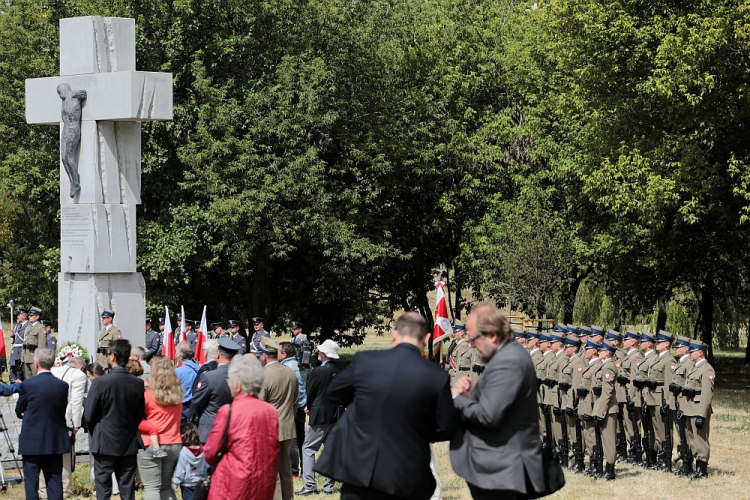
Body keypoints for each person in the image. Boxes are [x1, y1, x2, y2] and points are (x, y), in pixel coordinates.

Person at [316, 313, 457, 500]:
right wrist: (418, 427)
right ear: (427, 338)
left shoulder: (365, 361)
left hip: (361, 470)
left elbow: (334, 393)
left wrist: (364, 405)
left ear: (393, 334)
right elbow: (448, 427)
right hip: (408, 473)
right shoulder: (436, 375)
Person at [448, 306, 543, 499]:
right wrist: (474, 393)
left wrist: (456, 398)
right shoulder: (508, 354)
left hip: (504, 469)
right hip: (503, 466)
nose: (471, 345)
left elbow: (488, 415)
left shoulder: (508, 361)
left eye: (474, 339)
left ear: (491, 335)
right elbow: (501, 400)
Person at [204, 355, 279, 500]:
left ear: (238, 384)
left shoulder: (228, 411)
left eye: (230, 381)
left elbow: (210, 453)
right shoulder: (270, 411)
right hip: (263, 483)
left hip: (232, 485)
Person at [84, 339, 146, 500]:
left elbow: (89, 415)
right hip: (127, 441)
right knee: (127, 489)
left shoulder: (100, 383)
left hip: (104, 441)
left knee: (103, 490)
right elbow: (139, 414)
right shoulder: (137, 383)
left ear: (112, 356)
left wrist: (97, 432)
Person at [16, 347, 69, 500]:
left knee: (32, 485)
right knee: (54, 483)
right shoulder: (62, 386)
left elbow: (19, 409)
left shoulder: (28, 385)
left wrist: (26, 412)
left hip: (32, 441)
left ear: (36, 364)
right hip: (54, 440)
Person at [297, 339, 342, 496]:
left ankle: (310, 484)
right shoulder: (339, 370)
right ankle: (329, 486)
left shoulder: (318, 371)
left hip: (320, 413)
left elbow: (311, 391)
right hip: (335, 413)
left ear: (324, 354)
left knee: (308, 448)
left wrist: (308, 406)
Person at [137, 357, 183, 500]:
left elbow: (135, 419)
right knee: (165, 486)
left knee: (152, 487)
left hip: (151, 443)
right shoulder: (178, 394)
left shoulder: (147, 395)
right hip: (174, 442)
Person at [258, 337, 299, 500]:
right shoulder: (290, 372)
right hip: (287, 427)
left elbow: (258, 406)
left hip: (269, 430)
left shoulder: (263, 375)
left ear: (264, 356)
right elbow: (294, 402)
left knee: (272, 472)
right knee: (286, 470)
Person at [47, 355, 87, 496]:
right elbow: (76, 401)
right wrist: (76, 423)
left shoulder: (53, 370)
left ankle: (44, 490)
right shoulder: (79, 375)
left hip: (48, 417)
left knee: (46, 454)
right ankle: (65, 489)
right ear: (81, 366)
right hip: (65, 418)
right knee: (65, 454)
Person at [191, 338, 240, 443]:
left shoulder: (208, 377)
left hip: (210, 430)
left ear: (218, 354)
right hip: (233, 429)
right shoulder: (241, 377)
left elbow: (196, 402)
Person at [682, 340, 714, 479]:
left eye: (692, 351)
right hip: (689, 408)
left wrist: (702, 414)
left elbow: (707, 394)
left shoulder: (707, 369)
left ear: (700, 352)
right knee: (692, 439)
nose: (689, 353)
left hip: (698, 409)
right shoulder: (693, 368)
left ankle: (702, 470)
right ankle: (696, 466)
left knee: (700, 439)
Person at [279, 341, 311, 478]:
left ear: (284, 354)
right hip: (303, 406)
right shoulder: (305, 366)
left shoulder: (284, 367)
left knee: (292, 440)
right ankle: (306, 469)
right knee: (302, 437)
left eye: (279, 352)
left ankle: (294, 471)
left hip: (291, 405)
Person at [645, 330, 675, 470]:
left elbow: (669, 384)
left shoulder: (669, 360)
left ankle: (665, 457)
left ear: (667, 344)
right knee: (656, 429)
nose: (656, 344)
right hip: (652, 398)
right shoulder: (656, 358)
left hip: (661, 399)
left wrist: (668, 402)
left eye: (659, 342)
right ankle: (659, 455)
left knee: (663, 430)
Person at [590, 339, 619, 480]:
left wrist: (600, 412)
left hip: (608, 408)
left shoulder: (609, 366)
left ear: (607, 352)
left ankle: (610, 470)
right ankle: (606, 468)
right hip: (603, 407)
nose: (599, 352)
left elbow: (607, 392)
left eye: (601, 350)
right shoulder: (605, 365)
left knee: (609, 439)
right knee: (604, 438)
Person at [172, 423, 208, 500]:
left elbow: (180, 470)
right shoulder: (204, 450)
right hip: (200, 483)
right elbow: (206, 466)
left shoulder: (183, 452)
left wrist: (175, 483)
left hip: (187, 485)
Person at [175, 342, 201, 421]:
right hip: (196, 409)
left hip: (181, 410)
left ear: (180, 357)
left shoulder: (177, 372)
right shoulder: (200, 369)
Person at [22, 306, 44, 378]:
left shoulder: (40, 327)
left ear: (37, 316)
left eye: (31, 315)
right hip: (26, 357)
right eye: (29, 315)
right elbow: (25, 342)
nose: (29, 317)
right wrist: (23, 356)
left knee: (36, 378)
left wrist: (38, 359)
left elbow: (41, 345)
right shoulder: (28, 327)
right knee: (28, 379)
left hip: (34, 358)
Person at [10, 307, 30, 381]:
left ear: (24, 316)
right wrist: (13, 336)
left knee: (22, 372)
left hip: (22, 351)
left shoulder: (28, 326)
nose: (17, 316)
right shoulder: (18, 326)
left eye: (19, 315)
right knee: (14, 370)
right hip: (15, 351)